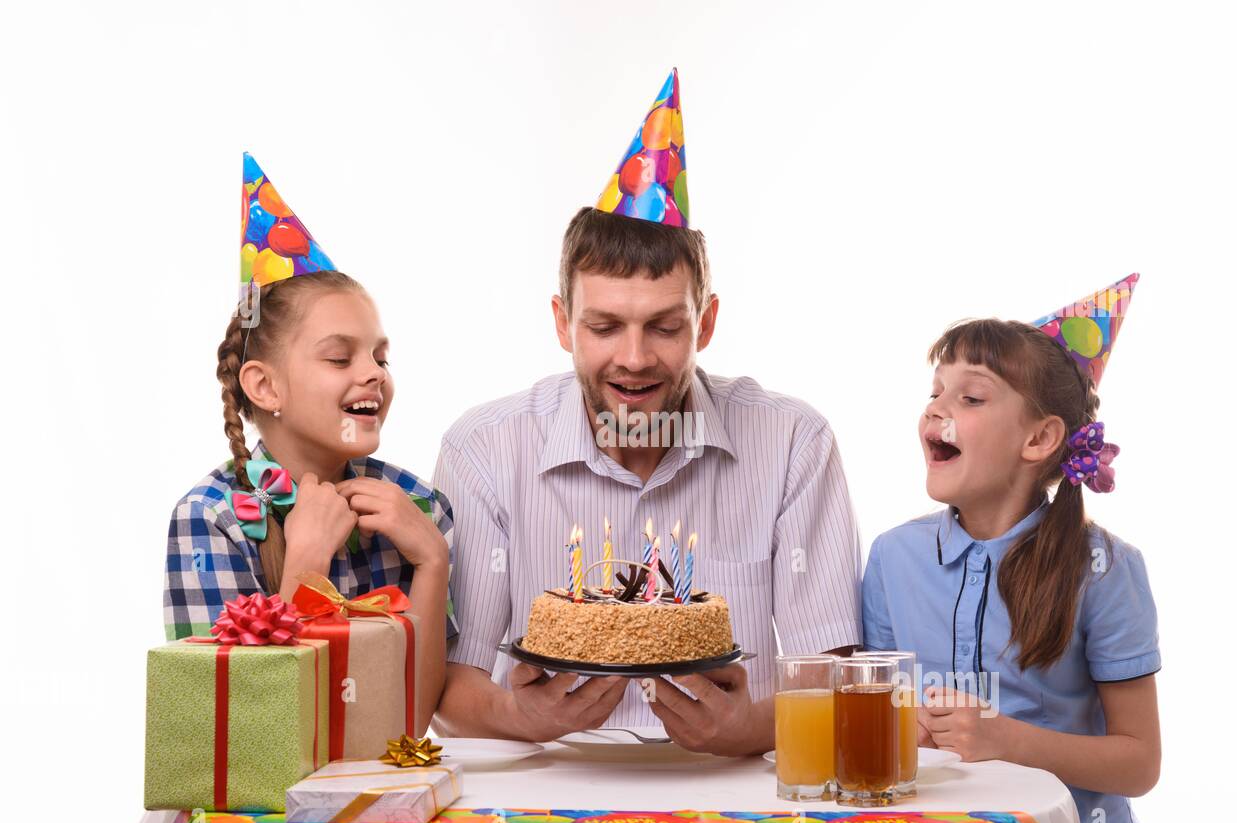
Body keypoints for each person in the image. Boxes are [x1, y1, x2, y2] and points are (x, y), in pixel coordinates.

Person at [432, 70, 861, 756]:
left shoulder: (792, 442)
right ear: (563, 323)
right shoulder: (484, 449)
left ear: (707, 322)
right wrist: (524, 717)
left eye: (664, 327)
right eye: (604, 327)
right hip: (551, 803)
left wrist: (746, 727)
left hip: (733, 799)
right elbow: (451, 690)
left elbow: (835, 680)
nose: (634, 359)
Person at [861, 275, 1161, 823]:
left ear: (1040, 437)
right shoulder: (893, 558)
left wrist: (1007, 741)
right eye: (936, 392)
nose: (937, 409)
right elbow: (881, 718)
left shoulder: (1104, 569)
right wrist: (911, 730)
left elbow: (1139, 762)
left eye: (971, 398)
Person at [164, 153, 455, 730]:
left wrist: (431, 561)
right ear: (265, 385)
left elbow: (409, 724)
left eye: (381, 355)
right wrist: (305, 565)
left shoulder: (420, 509)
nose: (373, 372)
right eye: (340, 357)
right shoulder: (212, 519)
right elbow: (246, 730)